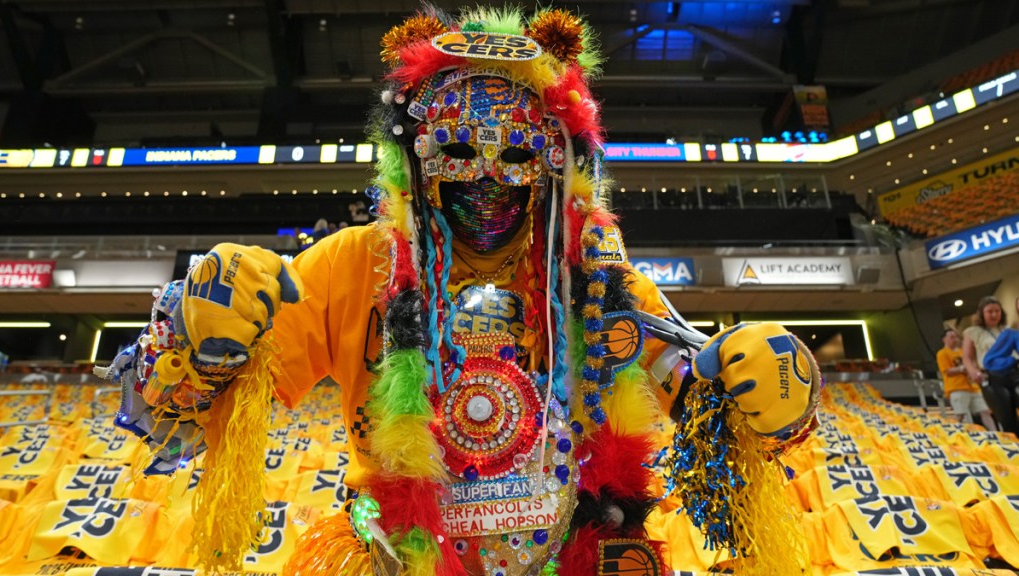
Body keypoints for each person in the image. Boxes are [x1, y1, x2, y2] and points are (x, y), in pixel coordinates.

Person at [97, 7, 821, 576]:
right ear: (414, 159)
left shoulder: (601, 280)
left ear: (556, 165)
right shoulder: (355, 266)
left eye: (514, 155)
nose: (485, 179)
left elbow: (711, 415)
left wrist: (768, 390)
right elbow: (177, 419)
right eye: (457, 152)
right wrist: (192, 334)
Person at [962, 296, 1014, 433]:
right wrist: (973, 372)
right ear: (982, 313)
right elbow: (967, 357)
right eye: (990, 311)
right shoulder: (972, 332)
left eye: (997, 311)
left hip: (1013, 372)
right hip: (992, 377)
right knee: (1006, 415)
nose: (994, 314)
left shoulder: (1007, 330)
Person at [936, 328, 996, 430]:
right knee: (960, 414)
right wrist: (962, 368)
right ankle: (952, 433)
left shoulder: (963, 352)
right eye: (951, 337)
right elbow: (947, 371)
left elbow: (973, 365)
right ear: (944, 339)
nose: (955, 339)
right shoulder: (942, 353)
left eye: (955, 337)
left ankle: (995, 433)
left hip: (972, 387)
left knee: (985, 411)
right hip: (957, 387)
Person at [979, 297, 1019, 435]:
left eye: (997, 311)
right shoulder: (1012, 334)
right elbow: (990, 360)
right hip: (1004, 380)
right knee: (1010, 424)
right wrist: (1014, 360)